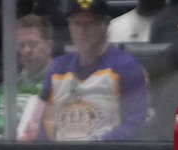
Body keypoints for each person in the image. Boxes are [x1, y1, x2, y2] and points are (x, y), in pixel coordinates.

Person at [21, 0, 148, 142]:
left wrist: (91, 146)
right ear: (69, 26)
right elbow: (43, 126)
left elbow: (133, 126)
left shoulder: (126, 67)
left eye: (90, 23)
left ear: (105, 25)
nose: (83, 30)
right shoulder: (57, 68)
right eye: (77, 23)